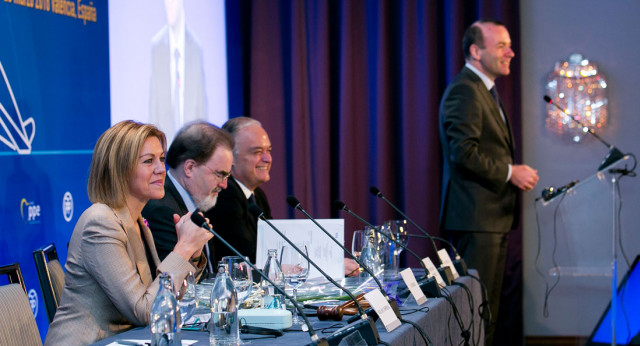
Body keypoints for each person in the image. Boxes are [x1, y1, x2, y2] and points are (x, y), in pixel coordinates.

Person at [45, 121, 212, 345]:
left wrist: (192, 253)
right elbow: (144, 311)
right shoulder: (100, 222)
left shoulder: (136, 221)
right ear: (119, 169)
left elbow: (164, 300)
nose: (161, 169)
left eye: (161, 159)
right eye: (148, 161)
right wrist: (183, 249)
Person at [438, 19, 539, 344]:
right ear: (475, 51)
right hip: (476, 220)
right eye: (501, 45)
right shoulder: (465, 91)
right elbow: (463, 153)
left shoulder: (482, 90)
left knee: (486, 313)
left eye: (509, 44)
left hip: (490, 219)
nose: (511, 52)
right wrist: (511, 172)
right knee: (474, 314)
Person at [142, 121, 234, 277]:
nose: (224, 185)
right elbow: (170, 283)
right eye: (219, 174)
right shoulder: (162, 210)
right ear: (189, 167)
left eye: (227, 176)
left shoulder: (197, 201)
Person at [205, 117, 272, 265]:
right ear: (231, 157)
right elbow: (245, 256)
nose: (268, 158)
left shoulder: (257, 195)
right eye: (258, 152)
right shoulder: (224, 194)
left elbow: (271, 246)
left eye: (269, 150)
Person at [149, 0, 207, 145]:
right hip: (163, 142)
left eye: (173, 2)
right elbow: (154, 98)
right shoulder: (157, 44)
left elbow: (201, 101)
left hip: (193, 143)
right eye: (166, 3)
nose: (169, 6)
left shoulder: (195, 46)